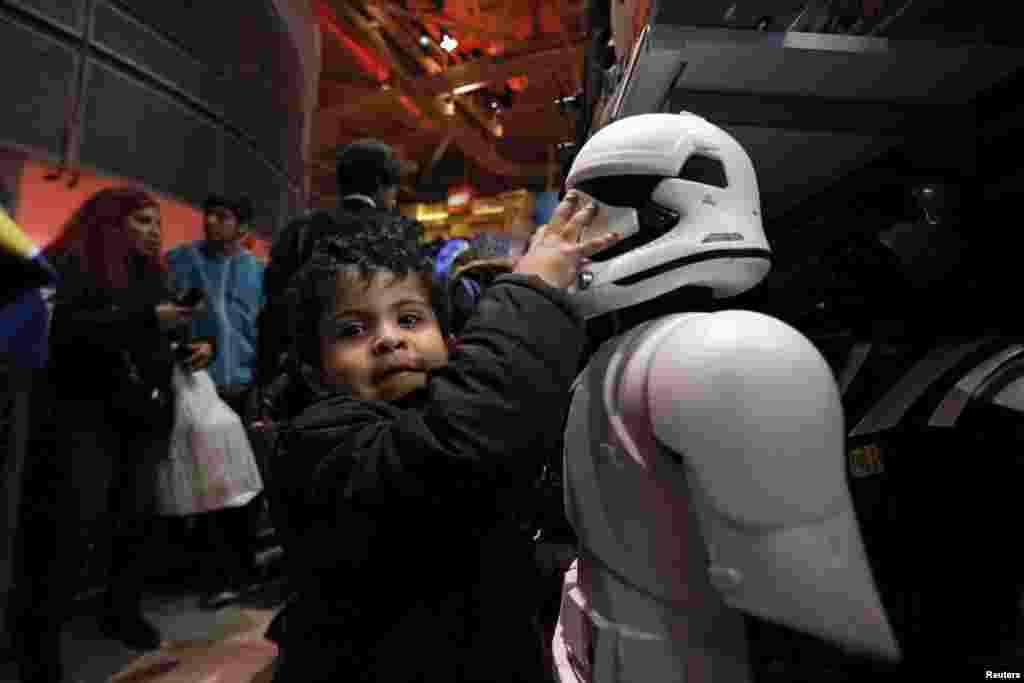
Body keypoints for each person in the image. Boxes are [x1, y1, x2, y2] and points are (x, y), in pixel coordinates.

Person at [550, 112, 900, 683]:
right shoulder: (651, 357)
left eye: (604, 203)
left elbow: (811, 622)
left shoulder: (727, 353)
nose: (578, 231)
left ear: (683, 203)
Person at [269, 198, 622, 682]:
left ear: (448, 338)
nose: (389, 339)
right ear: (314, 371)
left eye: (410, 319)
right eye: (353, 330)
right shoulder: (318, 444)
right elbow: (458, 448)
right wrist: (530, 290)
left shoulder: (432, 412)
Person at [8, 188, 198, 683]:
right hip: (78, 418)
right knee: (60, 539)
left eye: (157, 222)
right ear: (111, 222)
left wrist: (188, 346)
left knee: (130, 524)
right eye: (141, 220)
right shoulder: (68, 264)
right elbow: (65, 331)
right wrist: (146, 321)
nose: (154, 231)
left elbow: (148, 339)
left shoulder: (149, 274)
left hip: (137, 417)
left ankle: (120, 612)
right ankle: (36, 648)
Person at [165, 194, 266, 610]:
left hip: (245, 387)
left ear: (242, 226)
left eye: (223, 216)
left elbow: (261, 327)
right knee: (209, 484)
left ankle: (242, 568)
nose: (210, 222)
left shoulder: (256, 271)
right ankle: (213, 574)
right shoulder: (181, 261)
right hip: (199, 387)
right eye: (209, 214)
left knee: (245, 483)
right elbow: (170, 316)